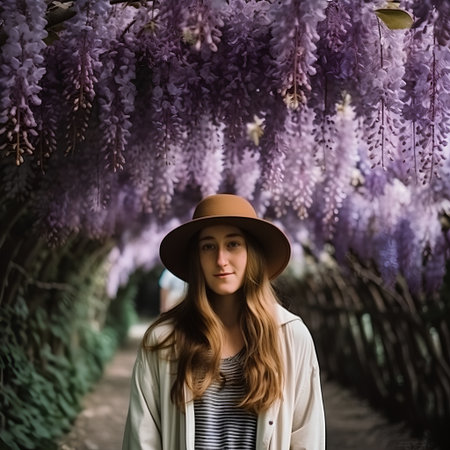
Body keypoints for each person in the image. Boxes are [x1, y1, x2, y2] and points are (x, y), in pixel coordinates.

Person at [122, 194, 325, 450]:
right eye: (208, 246)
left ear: (252, 253)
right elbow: (142, 440)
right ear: (196, 258)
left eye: (233, 244)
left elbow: (307, 439)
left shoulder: (291, 336)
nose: (220, 259)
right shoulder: (163, 340)